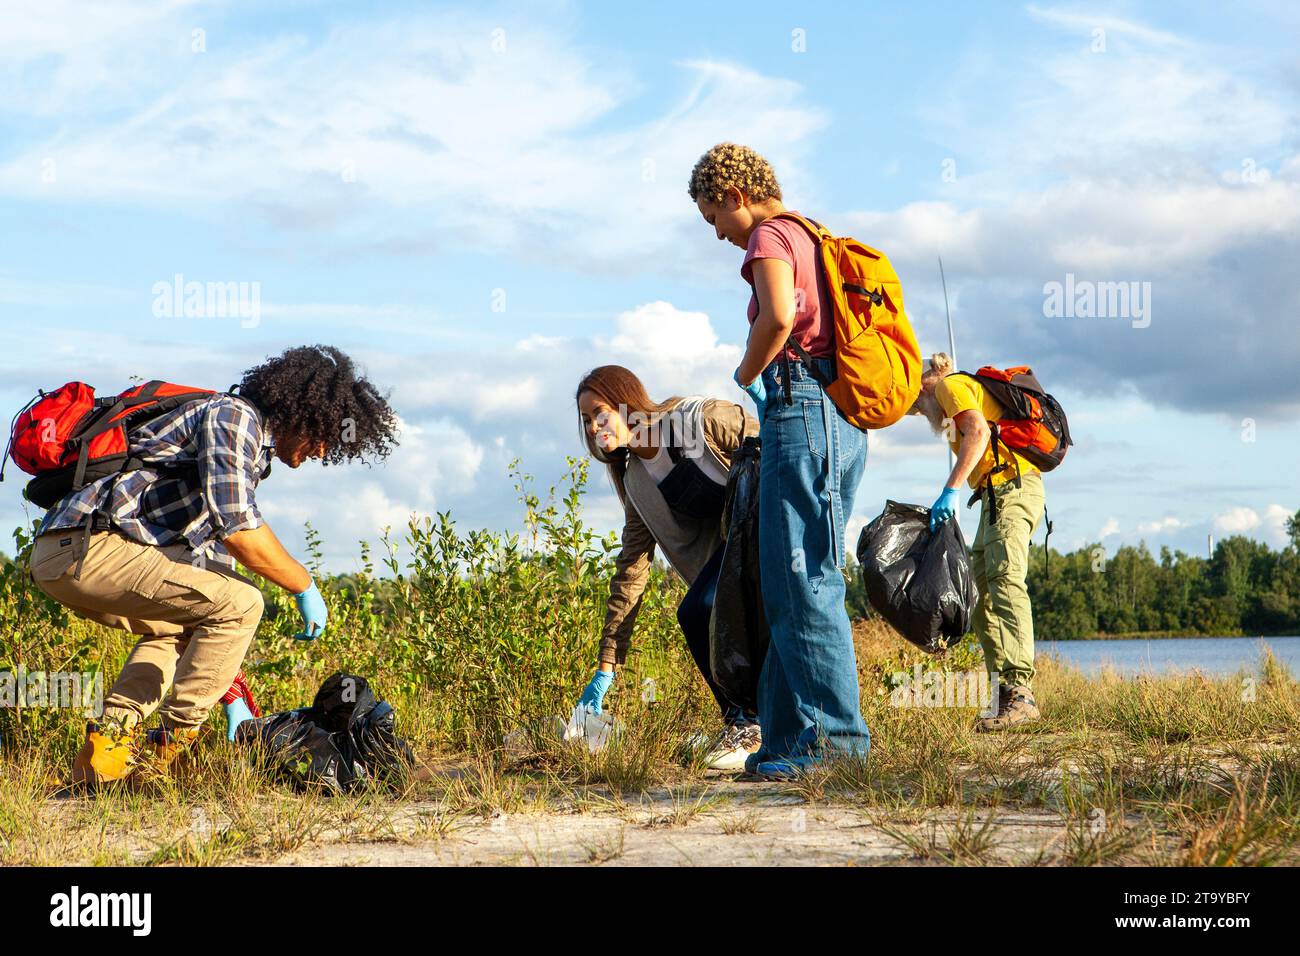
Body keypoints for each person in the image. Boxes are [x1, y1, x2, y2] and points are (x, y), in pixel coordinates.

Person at [29, 345, 399, 785]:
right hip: (87, 549)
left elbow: (211, 583)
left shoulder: (245, 450)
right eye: (324, 436)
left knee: (175, 628)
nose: (322, 451)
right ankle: (164, 759)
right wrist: (304, 585)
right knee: (245, 602)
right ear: (304, 413)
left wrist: (230, 696)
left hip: (71, 553)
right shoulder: (232, 418)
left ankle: (104, 758)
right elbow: (238, 529)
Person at [688, 142, 871, 778]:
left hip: (803, 407)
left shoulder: (769, 237)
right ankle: (789, 743)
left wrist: (745, 371)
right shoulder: (812, 236)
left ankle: (836, 748)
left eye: (714, 217)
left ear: (736, 196)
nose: (718, 234)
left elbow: (779, 316)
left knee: (804, 581)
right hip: (837, 418)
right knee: (787, 581)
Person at [573, 365, 761, 770]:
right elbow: (631, 573)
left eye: (600, 413)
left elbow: (771, 444)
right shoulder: (638, 484)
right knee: (695, 610)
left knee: (704, 605)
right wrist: (607, 665)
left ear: (627, 404)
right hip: (732, 558)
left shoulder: (694, 421)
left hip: (770, 534)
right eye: (586, 420)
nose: (593, 428)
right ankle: (743, 726)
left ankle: (752, 726)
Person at [909, 352, 1046, 730]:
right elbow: (898, 410)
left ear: (924, 386)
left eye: (917, 404)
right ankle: (1004, 697)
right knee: (982, 596)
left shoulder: (951, 387)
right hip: (993, 497)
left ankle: (1022, 694)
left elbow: (979, 432)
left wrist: (950, 489)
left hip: (1012, 489)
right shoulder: (946, 399)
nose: (919, 414)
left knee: (1006, 583)